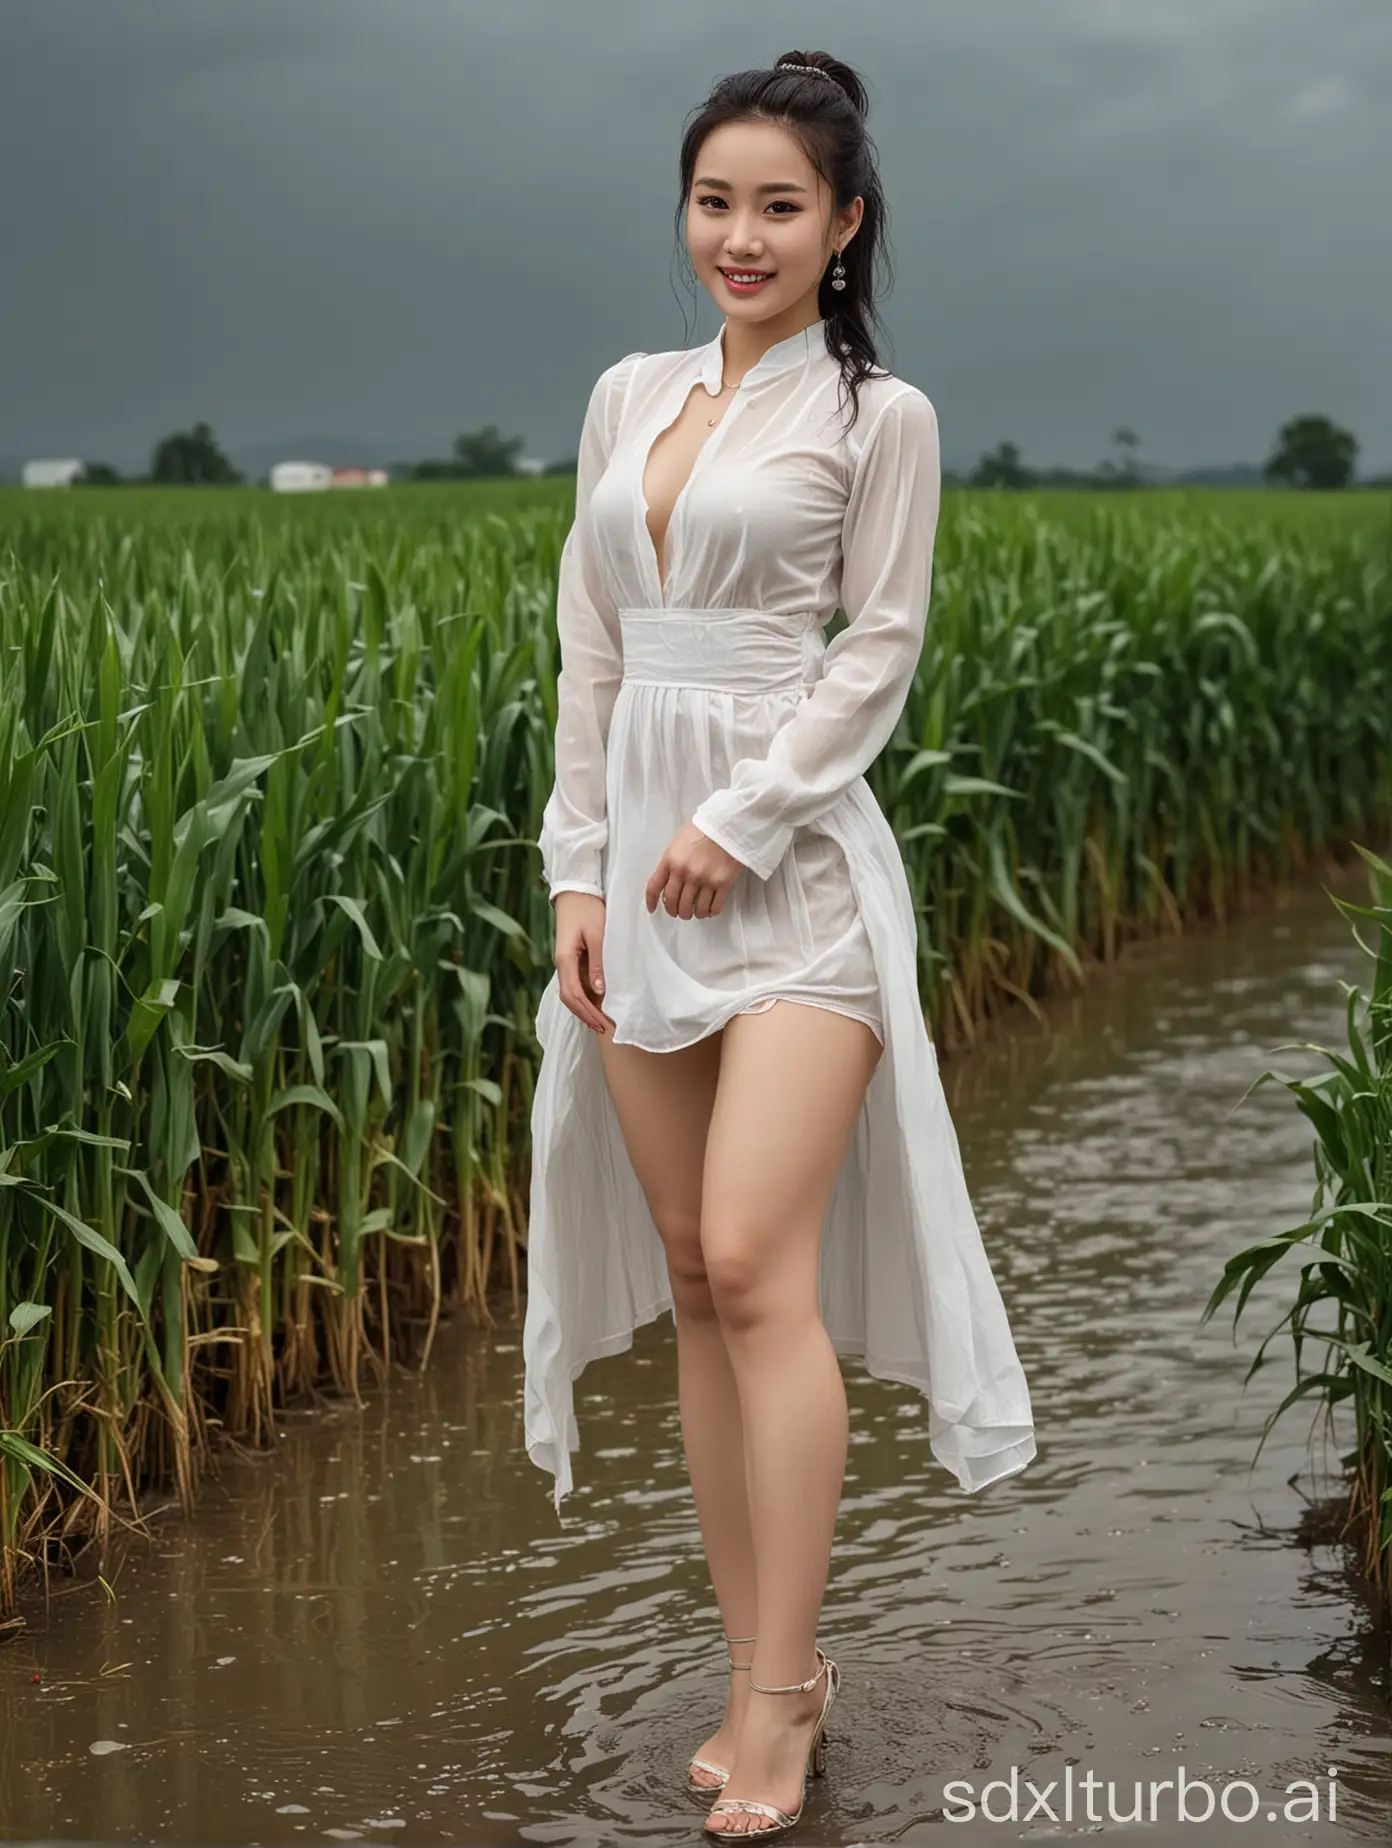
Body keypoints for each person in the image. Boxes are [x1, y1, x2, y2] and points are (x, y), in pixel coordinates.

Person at [523, 49, 1036, 1841]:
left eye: (780, 205)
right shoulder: (626, 394)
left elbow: (875, 652)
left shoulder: (876, 415)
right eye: (714, 200)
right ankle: (756, 1656)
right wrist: (576, 871)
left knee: (757, 1259)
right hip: (628, 891)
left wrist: (736, 820)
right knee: (685, 1269)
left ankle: (782, 1698)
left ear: (846, 224)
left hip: (792, 874)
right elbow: (591, 643)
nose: (738, 235)